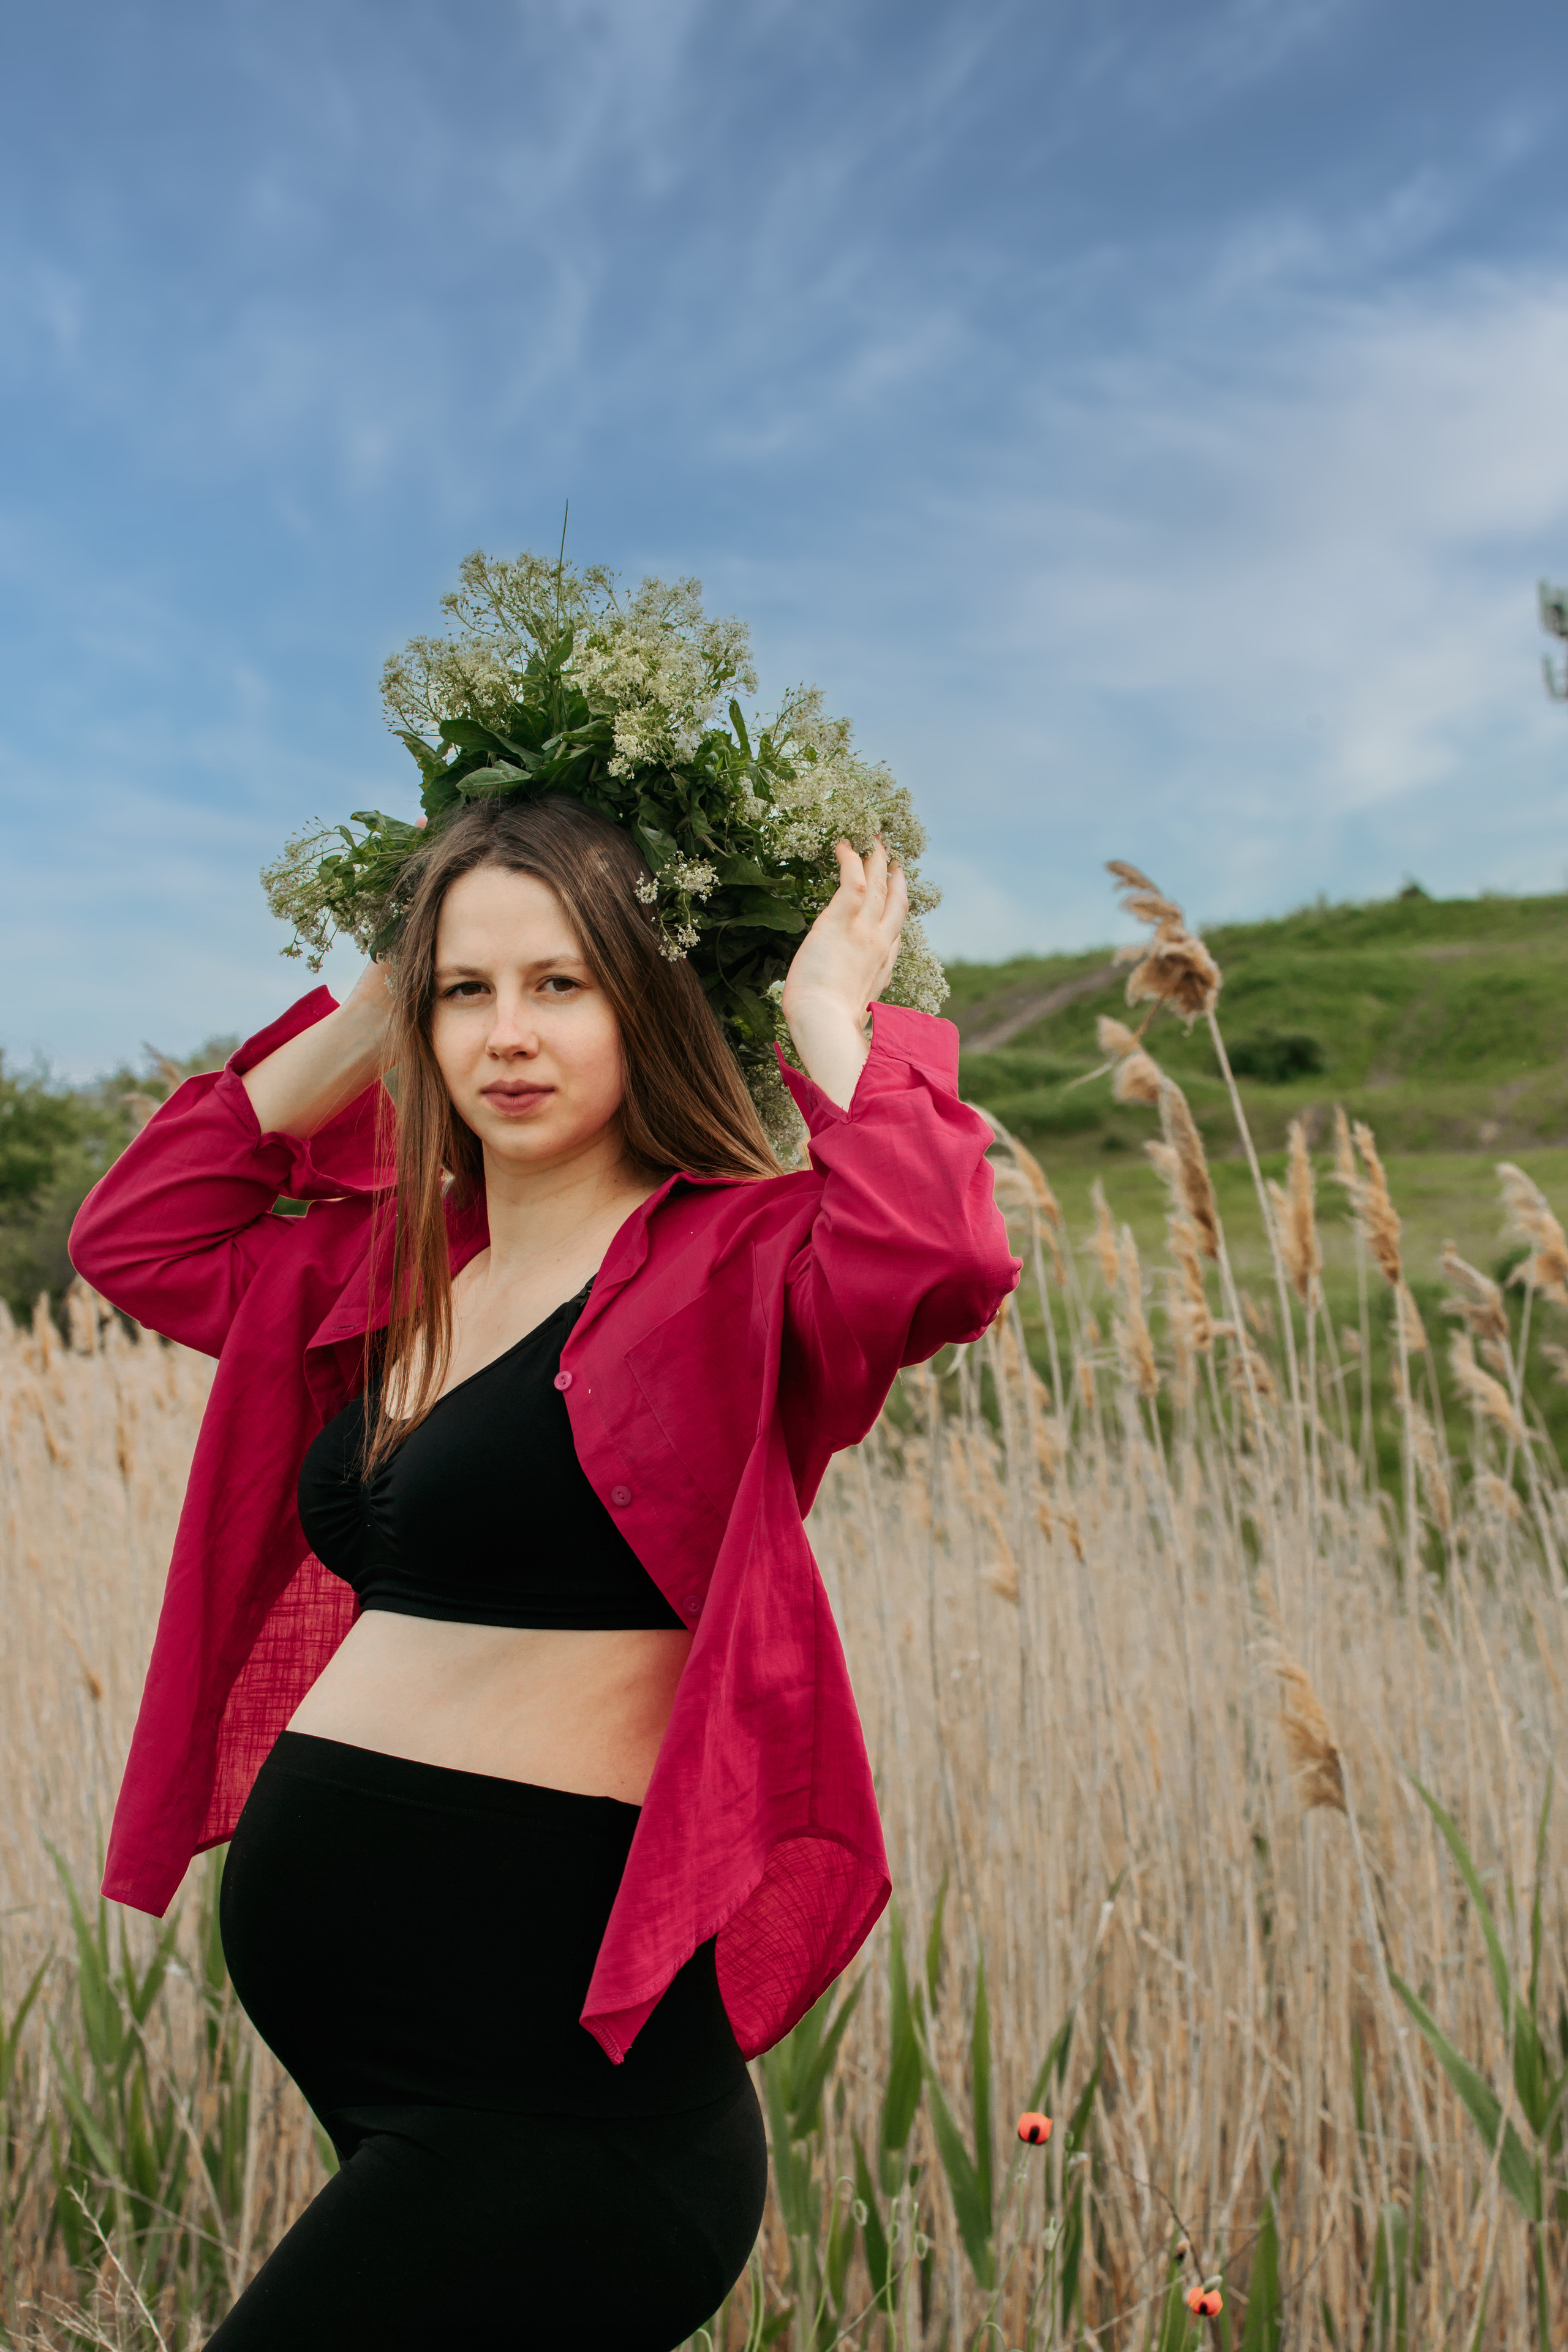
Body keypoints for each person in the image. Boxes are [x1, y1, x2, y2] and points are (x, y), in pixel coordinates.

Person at [70, 794, 1018, 2350]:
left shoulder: (738, 1262)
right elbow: (144, 1236)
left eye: (560, 983)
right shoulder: (392, 1267)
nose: (506, 1034)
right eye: (467, 991)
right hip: (400, 2093)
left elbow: (942, 1258)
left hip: (566, 2123)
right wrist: (372, 1005)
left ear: (645, 1001)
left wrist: (831, 1013)